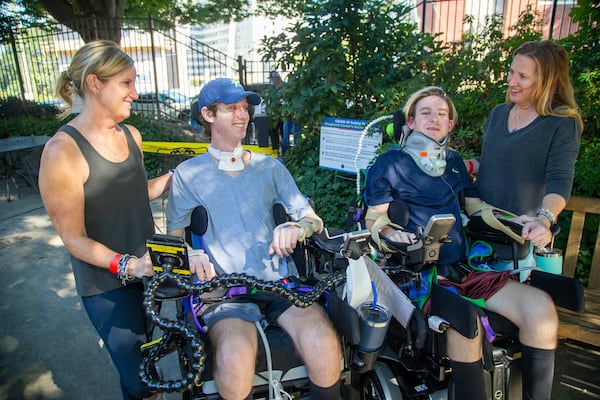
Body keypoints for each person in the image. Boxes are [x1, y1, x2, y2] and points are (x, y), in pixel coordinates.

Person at [364, 86, 559, 400]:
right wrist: (390, 234)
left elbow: (478, 208)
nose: (435, 118)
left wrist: (517, 223)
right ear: (410, 121)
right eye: (426, 112)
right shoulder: (389, 163)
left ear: (450, 125)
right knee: (466, 324)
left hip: (462, 271)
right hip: (416, 275)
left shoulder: (453, 163)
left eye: (442, 114)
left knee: (541, 308)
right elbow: (374, 219)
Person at [166, 77, 342, 400]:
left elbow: (313, 220)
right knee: (234, 359)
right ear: (207, 114)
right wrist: (188, 254)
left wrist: (298, 228)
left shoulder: (270, 168)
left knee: (325, 344)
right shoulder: (187, 175)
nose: (243, 115)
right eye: (232, 108)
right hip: (225, 293)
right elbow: (172, 244)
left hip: (280, 285)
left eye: (245, 108)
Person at [38, 40, 172, 400]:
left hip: (148, 271)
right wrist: (129, 265)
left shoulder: (132, 136)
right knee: (145, 383)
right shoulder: (62, 151)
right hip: (106, 285)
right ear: (95, 83)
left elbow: (130, 192)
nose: (135, 92)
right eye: (126, 83)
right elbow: (73, 238)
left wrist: (180, 178)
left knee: (140, 367)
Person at [466, 40, 583, 256]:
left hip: (519, 236)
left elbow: (560, 180)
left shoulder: (563, 123)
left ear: (546, 82)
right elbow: (491, 160)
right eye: (511, 72)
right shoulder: (498, 113)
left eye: (523, 76)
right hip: (479, 230)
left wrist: (543, 220)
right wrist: (465, 165)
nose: (511, 81)